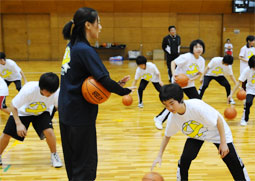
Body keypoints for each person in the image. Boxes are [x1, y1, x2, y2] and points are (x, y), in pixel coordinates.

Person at [59, 7, 132, 180]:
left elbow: (91, 79)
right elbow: (103, 80)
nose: (100, 27)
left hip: (66, 112)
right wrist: (124, 90)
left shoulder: (72, 46)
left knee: (74, 164)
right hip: (80, 116)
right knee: (85, 166)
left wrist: (113, 84)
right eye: (98, 22)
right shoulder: (85, 49)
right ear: (88, 25)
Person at [151, 84, 250, 181]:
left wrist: (223, 143)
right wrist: (159, 155)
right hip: (198, 135)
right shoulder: (173, 117)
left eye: (171, 103)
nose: (169, 108)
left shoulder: (197, 107)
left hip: (217, 132)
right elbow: (167, 136)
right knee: (185, 159)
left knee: (232, 162)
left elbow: (219, 120)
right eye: (166, 105)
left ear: (180, 98)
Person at [0, 72, 62, 168]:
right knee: (6, 134)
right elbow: (13, 105)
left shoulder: (57, 93)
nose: (50, 94)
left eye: (52, 92)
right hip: (22, 112)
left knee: (49, 131)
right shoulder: (29, 90)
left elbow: (58, 107)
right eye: (47, 92)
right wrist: (18, 124)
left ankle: (54, 155)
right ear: (41, 87)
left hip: (41, 112)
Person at [154, 39, 205, 130]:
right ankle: (159, 119)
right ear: (192, 48)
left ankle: (199, 119)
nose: (198, 49)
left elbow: (199, 73)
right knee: (173, 102)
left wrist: (190, 80)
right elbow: (173, 62)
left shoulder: (202, 60)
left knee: (198, 102)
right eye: (196, 47)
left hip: (189, 83)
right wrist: (173, 74)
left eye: (200, 47)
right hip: (178, 82)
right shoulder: (186, 57)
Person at [228, 55, 255, 126]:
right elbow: (238, 83)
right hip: (251, 89)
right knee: (248, 103)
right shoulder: (247, 70)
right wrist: (231, 94)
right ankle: (245, 119)